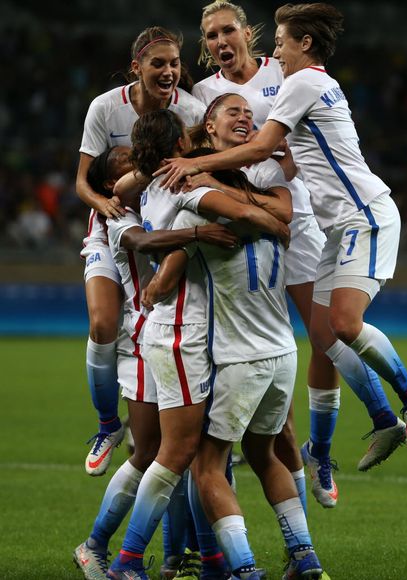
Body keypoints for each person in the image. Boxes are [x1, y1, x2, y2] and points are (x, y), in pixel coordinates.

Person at [156, 3, 407, 472]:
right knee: (327, 336)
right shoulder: (291, 85)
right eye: (210, 35)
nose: (277, 50)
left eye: (281, 41)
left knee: (343, 325)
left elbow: (264, 144)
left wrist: (197, 165)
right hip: (331, 225)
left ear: (301, 44)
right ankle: (335, 442)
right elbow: (278, 143)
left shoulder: (299, 81)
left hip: (354, 216)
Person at [106, 110, 290, 580]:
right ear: (182, 148)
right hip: (183, 333)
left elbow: (129, 194)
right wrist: (276, 222)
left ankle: (205, 561)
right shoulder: (183, 189)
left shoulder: (152, 187)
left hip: (193, 335)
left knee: (197, 455)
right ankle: (126, 559)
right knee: (182, 452)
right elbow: (243, 215)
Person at [137, 162, 325, 579]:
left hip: (242, 358)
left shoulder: (200, 214)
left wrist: (154, 287)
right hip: (284, 353)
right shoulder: (274, 218)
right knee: (265, 454)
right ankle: (304, 555)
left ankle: (243, 569)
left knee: (207, 466)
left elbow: (164, 282)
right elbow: (272, 217)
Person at [192, 0, 340, 509]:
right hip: (241, 233)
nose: (219, 41)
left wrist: (290, 158)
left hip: (294, 222)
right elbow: (192, 152)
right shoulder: (201, 94)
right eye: (210, 35)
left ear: (247, 33)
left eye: (227, 30)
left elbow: (305, 145)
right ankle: (285, 492)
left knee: (326, 337)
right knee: (266, 367)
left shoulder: (287, 71)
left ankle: (319, 453)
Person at [73, 145, 237, 580]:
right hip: (148, 337)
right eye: (128, 163)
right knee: (156, 453)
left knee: (182, 454)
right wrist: (198, 234)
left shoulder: (153, 199)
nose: (141, 166)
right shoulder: (115, 215)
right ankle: (98, 546)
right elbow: (146, 242)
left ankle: (184, 558)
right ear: (112, 184)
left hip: (171, 333)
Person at [76, 25, 206, 476]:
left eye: (174, 64)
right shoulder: (105, 108)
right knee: (103, 322)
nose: (169, 71)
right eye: (158, 64)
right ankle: (108, 425)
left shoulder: (191, 109)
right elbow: (82, 181)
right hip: (112, 224)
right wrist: (106, 202)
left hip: (163, 227)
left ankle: (196, 424)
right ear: (137, 68)